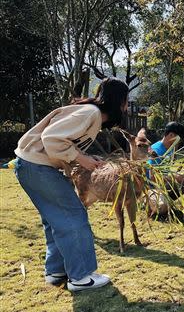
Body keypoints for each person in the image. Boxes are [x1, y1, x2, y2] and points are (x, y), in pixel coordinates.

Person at [14, 77, 129, 291]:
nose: (127, 106)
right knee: (74, 215)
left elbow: (65, 143)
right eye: (126, 101)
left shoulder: (90, 115)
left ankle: (57, 270)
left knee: (56, 219)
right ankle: (81, 277)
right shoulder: (90, 113)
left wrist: (86, 157)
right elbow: (52, 138)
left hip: (32, 166)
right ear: (119, 100)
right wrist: (81, 158)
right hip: (38, 167)